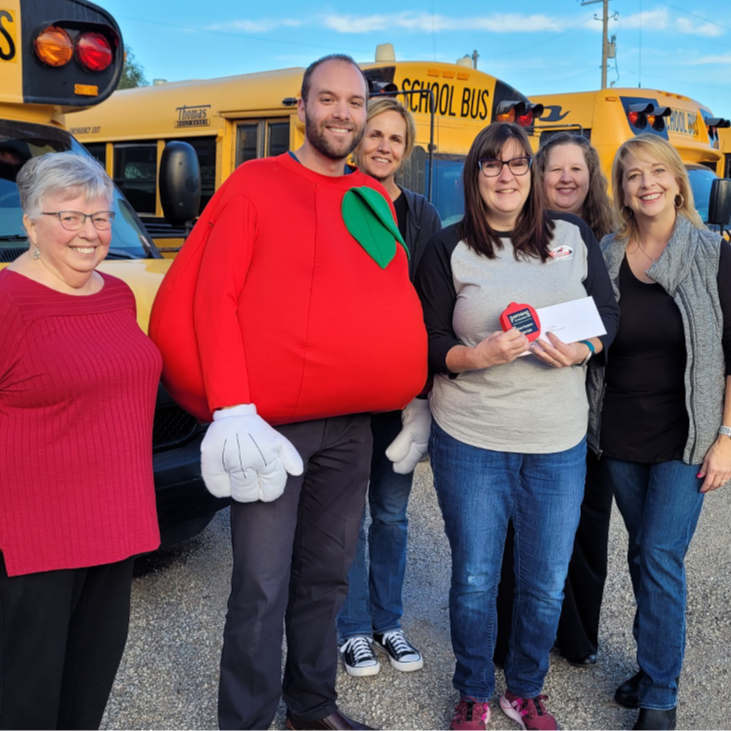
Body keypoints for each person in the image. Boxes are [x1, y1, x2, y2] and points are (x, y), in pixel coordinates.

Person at [149, 55, 428, 731]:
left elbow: (388, 300)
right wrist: (234, 405)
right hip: (268, 429)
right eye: (326, 99)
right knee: (261, 585)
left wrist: (412, 393)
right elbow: (215, 296)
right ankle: (244, 720)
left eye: (353, 102)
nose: (342, 113)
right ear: (299, 109)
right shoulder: (254, 183)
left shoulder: (368, 197)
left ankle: (311, 705)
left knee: (325, 577)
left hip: (351, 428)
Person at [415, 122, 619, 731]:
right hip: (472, 437)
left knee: (546, 583)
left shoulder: (572, 234)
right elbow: (427, 340)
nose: (507, 175)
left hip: (558, 441)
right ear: (473, 177)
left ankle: (525, 690)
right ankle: (475, 690)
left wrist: (584, 349)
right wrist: (475, 357)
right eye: (492, 165)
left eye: (517, 164)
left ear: (531, 175)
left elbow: (607, 315)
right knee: (476, 579)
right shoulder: (448, 246)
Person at [0, 152, 162, 730]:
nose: (89, 233)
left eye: (99, 218)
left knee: (86, 692)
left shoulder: (116, 296)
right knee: (24, 702)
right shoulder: (8, 302)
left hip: (115, 525)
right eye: (69, 217)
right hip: (34, 542)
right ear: (30, 222)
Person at [587, 134, 731, 731]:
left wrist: (727, 436)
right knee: (642, 554)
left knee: (660, 555)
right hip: (619, 431)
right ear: (621, 191)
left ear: (677, 182)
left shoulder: (713, 252)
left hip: (687, 436)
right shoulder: (605, 250)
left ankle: (661, 698)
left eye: (655, 173)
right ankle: (652, 668)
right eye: (631, 176)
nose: (644, 183)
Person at [494, 132, 618, 669]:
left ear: (592, 177)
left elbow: (614, 319)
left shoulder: (612, 239)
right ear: (538, 175)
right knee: (521, 530)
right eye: (555, 169)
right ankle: (512, 638)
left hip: (600, 412)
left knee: (588, 528)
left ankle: (577, 637)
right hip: (537, 408)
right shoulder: (522, 235)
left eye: (578, 169)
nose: (567, 178)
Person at [337, 97, 441, 677]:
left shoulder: (421, 214)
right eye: (374, 134)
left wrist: (421, 392)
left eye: (395, 139)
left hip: (399, 393)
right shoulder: (335, 199)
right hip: (346, 391)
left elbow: (426, 304)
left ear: (407, 150)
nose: (383, 146)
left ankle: (388, 622)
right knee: (348, 514)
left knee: (393, 514)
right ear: (358, 140)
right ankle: (352, 628)